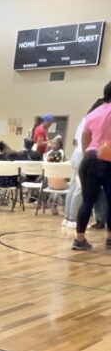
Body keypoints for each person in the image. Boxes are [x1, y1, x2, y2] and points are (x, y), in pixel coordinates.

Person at [71, 81, 111, 251]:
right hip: (108, 158)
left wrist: (91, 154)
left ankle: (80, 240)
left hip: (89, 159)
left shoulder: (93, 113)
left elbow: (85, 140)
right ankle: (110, 238)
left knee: (87, 200)